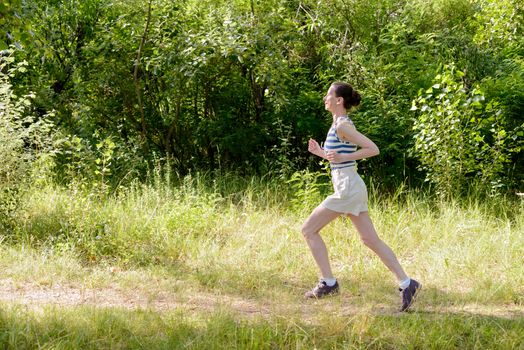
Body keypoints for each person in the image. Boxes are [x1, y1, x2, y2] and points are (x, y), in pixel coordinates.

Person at [302, 81, 420, 312]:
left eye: (328, 95)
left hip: (348, 188)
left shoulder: (343, 125)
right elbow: (339, 158)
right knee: (370, 240)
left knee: (308, 230)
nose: (324, 98)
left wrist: (346, 158)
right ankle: (407, 284)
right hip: (349, 186)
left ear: (339, 100)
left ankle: (328, 283)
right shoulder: (338, 124)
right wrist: (320, 153)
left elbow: (372, 149)